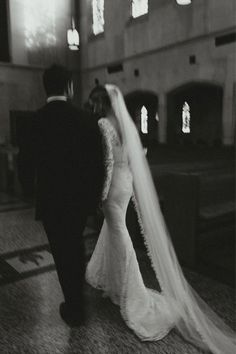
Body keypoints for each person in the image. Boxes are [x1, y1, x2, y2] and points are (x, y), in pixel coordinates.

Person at [86, 84, 236, 353]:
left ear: (102, 103)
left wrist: (101, 193)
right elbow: (135, 156)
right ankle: (115, 283)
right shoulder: (125, 123)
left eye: (95, 102)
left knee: (119, 233)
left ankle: (135, 295)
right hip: (126, 182)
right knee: (115, 229)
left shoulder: (103, 124)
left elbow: (107, 161)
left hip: (113, 186)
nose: (94, 106)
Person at [33, 64, 104, 326]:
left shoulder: (36, 119)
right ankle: (78, 304)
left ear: (46, 87)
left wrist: (33, 193)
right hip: (77, 202)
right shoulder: (85, 119)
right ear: (69, 87)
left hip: (50, 203)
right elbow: (97, 164)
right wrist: (93, 198)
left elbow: (26, 164)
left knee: (61, 253)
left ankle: (72, 305)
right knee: (75, 247)